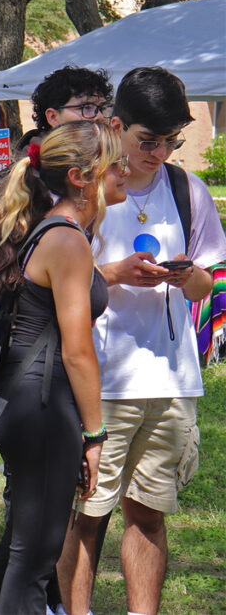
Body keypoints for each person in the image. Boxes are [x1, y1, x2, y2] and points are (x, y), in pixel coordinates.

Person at [56, 67, 226, 615]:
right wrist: (115, 272)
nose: (157, 153)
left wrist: (189, 277)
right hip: (102, 380)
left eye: (170, 141)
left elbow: (209, 278)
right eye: (146, 141)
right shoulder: (88, 188)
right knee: (88, 514)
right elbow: (48, 276)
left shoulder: (187, 189)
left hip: (172, 382)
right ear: (115, 125)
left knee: (149, 513)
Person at [0, 121, 127, 613]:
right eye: (114, 164)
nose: (125, 171)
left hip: (29, 400)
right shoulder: (67, 240)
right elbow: (77, 351)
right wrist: (95, 436)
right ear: (81, 177)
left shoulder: (58, 230)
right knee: (35, 560)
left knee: (20, 547)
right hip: (43, 405)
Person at [0, 67, 114, 236]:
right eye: (87, 107)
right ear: (53, 117)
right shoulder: (21, 179)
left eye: (102, 108)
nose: (98, 117)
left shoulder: (103, 170)